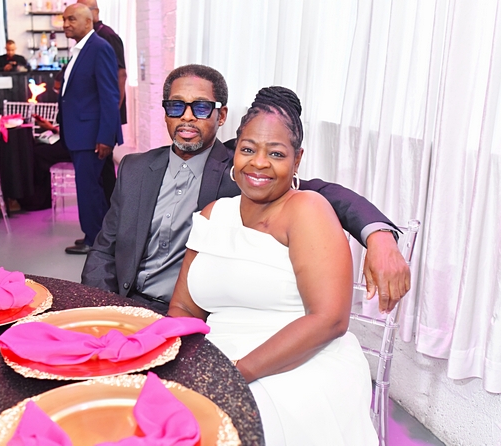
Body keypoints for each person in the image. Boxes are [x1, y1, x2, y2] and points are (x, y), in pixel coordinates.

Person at [82, 64, 409, 314]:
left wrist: (379, 235)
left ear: (221, 115)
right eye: (176, 106)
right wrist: (102, 307)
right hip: (122, 305)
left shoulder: (242, 170)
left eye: (201, 107)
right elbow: (103, 250)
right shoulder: (135, 168)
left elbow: (323, 193)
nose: (187, 117)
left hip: (190, 314)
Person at [168, 86, 378, 444]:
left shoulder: (307, 210)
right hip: (215, 354)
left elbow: (329, 319)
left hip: (297, 362)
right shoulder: (213, 214)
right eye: (248, 149)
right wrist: (184, 361)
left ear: (297, 161)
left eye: (276, 153)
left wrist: (234, 375)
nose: (259, 163)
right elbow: (185, 307)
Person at [59, 3, 122, 254]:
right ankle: (96, 235)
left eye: (71, 19)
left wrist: (106, 136)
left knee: (88, 189)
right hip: (80, 132)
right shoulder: (80, 49)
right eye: (64, 19)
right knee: (92, 187)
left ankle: (94, 241)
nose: (66, 24)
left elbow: (109, 95)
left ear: (88, 22)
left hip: (91, 134)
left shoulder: (99, 48)